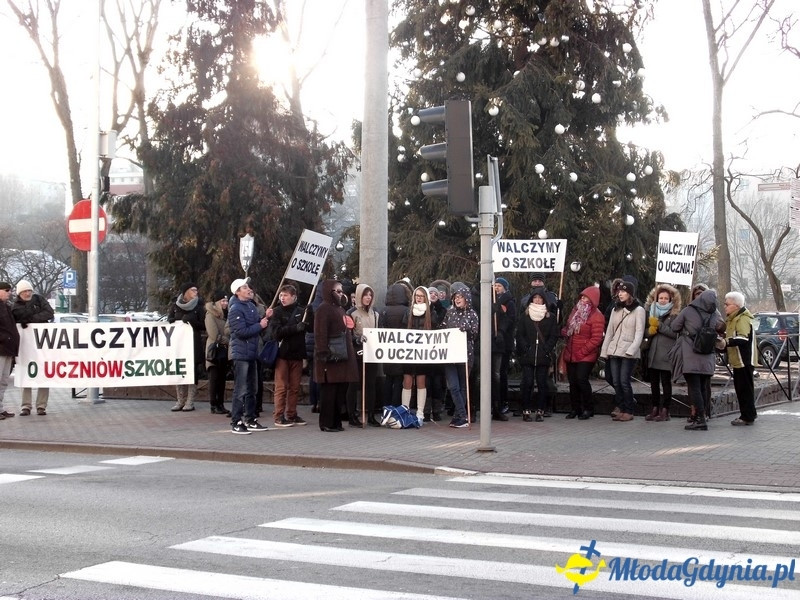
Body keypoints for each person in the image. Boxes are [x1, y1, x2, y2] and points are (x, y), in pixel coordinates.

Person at [671, 288, 724, 431]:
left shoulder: (688, 310)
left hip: (691, 354)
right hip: (708, 355)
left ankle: (700, 419)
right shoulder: (715, 314)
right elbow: (721, 327)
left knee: (694, 387)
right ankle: (703, 415)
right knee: (703, 387)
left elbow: (674, 326)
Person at [314, 279, 359, 432]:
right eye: (338, 291)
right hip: (331, 358)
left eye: (342, 291)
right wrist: (323, 353)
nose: (341, 294)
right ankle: (327, 423)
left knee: (340, 391)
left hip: (341, 357)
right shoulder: (323, 309)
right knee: (329, 392)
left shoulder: (339, 309)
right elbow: (321, 333)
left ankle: (336, 421)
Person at [227, 277, 270, 434]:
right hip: (242, 354)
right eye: (245, 287)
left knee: (253, 388)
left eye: (248, 287)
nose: (249, 289)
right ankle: (236, 421)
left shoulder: (251, 306)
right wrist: (260, 325)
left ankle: (250, 419)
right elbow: (240, 332)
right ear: (238, 292)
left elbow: (256, 326)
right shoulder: (236, 309)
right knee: (241, 389)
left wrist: (265, 319)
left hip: (252, 353)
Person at [600, 280, 646, 422]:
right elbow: (609, 332)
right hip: (614, 350)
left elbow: (639, 332)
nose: (620, 294)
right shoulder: (616, 309)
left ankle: (629, 409)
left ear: (630, 293)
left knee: (624, 381)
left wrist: (632, 349)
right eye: (619, 291)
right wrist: (605, 350)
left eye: (623, 291)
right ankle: (620, 407)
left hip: (628, 351)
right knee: (616, 381)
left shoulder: (639, 310)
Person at [561, 286, 605, 419]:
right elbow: (569, 327)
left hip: (586, 354)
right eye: (581, 297)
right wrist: (565, 331)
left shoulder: (597, 316)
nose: (582, 299)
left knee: (581, 380)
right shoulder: (575, 311)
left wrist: (583, 351)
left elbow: (596, 338)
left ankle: (588, 408)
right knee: (573, 382)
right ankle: (575, 408)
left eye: (585, 297)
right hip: (571, 351)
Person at [270, 283, 310, 428]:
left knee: (294, 387)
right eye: (281, 295)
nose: (282, 298)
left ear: (294, 297)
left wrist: (310, 314)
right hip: (282, 354)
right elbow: (276, 332)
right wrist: (295, 328)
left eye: (285, 295)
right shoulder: (277, 312)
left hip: (297, 353)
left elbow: (310, 329)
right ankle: (279, 415)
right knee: (281, 386)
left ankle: (292, 414)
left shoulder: (301, 311)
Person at [516, 287, 558, 422]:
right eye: (535, 298)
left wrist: (546, 349)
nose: (538, 300)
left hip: (542, 355)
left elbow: (554, 335)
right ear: (531, 299)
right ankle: (526, 410)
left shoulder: (550, 317)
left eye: (540, 298)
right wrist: (526, 348)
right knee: (527, 383)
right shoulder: (525, 316)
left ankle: (540, 410)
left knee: (542, 384)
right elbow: (520, 334)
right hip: (528, 355)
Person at [12, 280, 53, 416]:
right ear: (20, 293)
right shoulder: (16, 306)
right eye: (24, 291)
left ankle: (41, 406)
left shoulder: (39, 299)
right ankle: (26, 406)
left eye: (29, 290)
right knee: (25, 372)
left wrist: (31, 319)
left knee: (44, 371)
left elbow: (49, 313)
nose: (28, 293)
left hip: (43, 344)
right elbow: (18, 317)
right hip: (25, 345)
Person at [442, 284, 479, 428]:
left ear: (466, 298)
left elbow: (475, 334)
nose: (457, 300)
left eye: (460, 297)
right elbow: (443, 328)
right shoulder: (449, 312)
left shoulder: (472, 314)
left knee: (463, 387)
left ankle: (460, 416)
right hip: (450, 355)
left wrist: (467, 330)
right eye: (455, 297)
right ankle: (462, 415)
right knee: (453, 386)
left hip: (465, 355)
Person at [642, 283, 681, 422]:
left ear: (671, 300)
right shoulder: (651, 312)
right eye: (660, 298)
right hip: (653, 354)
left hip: (666, 355)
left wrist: (660, 326)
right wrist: (650, 331)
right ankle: (655, 408)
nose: (663, 300)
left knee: (666, 383)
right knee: (653, 384)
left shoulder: (675, 315)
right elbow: (645, 332)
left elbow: (675, 334)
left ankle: (666, 410)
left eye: (666, 298)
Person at [167, 282, 206, 412]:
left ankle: (190, 401)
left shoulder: (199, 307)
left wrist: (192, 322)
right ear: (185, 292)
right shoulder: (175, 305)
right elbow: (170, 319)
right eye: (193, 290)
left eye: (196, 290)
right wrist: (172, 320)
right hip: (179, 345)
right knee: (179, 370)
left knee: (192, 372)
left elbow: (203, 325)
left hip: (193, 345)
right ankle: (180, 400)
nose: (196, 292)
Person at [403, 286, 438, 423]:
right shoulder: (409, 311)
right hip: (409, 352)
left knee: (421, 382)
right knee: (407, 380)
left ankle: (420, 413)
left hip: (424, 353)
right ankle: (404, 410)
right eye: (416, 295)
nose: (418, 298)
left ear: (426, 297)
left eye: (421, 296)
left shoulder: (432, 312)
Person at [348, 283, 381, 426]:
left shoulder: (376, 314)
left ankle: (372, 415)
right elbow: (347, 334)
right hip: (356, 354)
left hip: (371, 353)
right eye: (365, 295)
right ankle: (352, 416)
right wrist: (357, 339)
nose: (368, 297)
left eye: (370, 295)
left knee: (371, 384)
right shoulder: (351, 313)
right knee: (354, 384)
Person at [722, 291, 758, 426]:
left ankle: (747, 416)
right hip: (739, 359)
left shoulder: (742, 318)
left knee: (744, 389)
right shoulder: (733, 317)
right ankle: (748, 414)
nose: (725, 306)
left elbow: (743, 337)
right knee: (742, 388)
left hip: (744, 359)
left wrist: (726, 342)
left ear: (736, 305)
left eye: (727, 304)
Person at [381, 281, 411, 408]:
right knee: (399, 380)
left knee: (388, 379)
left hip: (388, 350)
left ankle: (386, 407)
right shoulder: (406, 310)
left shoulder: (384, 311)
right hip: (402, 350)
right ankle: (396, 407)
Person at [491, 278, 516, 421]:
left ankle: (502, 402)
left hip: (504, 344)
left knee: (501, 374)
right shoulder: (491, 299)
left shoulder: (509, 302)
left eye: (499, 286)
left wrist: (501, 331)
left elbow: (511, 320)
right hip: (493, 343)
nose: (496, 288)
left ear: (505, 288)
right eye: (495, 285)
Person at [204, 289, 230, 416]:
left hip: (224, 351)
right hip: (214, 351)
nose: (225, 303)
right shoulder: (210, 315)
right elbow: (214, 334)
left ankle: (221, 403)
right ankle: (213, 404)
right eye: (223, 301)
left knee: (222, 379)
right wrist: (229, 341)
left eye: (226, 301)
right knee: (214, 379)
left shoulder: (227, 315)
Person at [0, 281, 20, 420]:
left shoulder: (5, 307)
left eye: (10, 290)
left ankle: (0, 408)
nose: (9, 292)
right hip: (1, 347)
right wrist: (5, 337)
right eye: (7, 290)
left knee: (4, 380)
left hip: (7, 348)